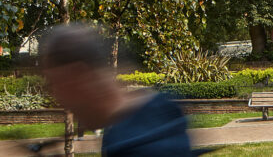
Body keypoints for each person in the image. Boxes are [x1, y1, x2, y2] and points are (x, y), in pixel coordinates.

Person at [39, 23, 193, 156]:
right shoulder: (157, 113)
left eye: (54, 83)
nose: (57, 98)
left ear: (77, 75)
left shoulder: (135, 144)